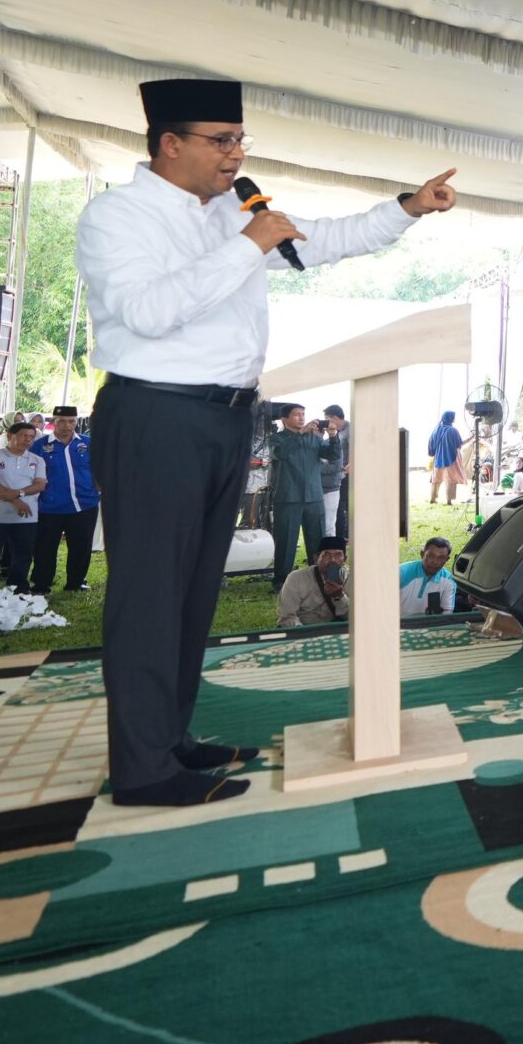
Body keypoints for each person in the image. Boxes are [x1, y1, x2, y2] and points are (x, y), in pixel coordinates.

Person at [76, 76, 454, 806]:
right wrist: (248, 243)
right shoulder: (115, 218)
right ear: (169, 143)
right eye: (222, 140)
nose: (236, 154)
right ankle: (142, 770)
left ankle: (170, 738)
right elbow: (151, 311)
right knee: (149, 594)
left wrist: (408, 207)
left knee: (192, 593)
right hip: (155, 416)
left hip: (225, 420)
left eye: (241, 140)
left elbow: (327, 242)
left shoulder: (231, 212)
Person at [23, 405, 99, 594]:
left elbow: (100, 469)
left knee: (81, 546)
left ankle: (76, 582)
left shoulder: (88, 443)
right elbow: (29, 474)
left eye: (72, 421)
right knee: (45, 547)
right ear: (53, 422)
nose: (67, 425)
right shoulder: (39, 446)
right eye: (62, 421)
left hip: (83, 504)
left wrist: (98, 490)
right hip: (49, 507)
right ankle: (41, 583)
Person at [265, 403, 338, 590]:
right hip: (289, 498)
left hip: (314, 497)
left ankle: (318, 578)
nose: (302, 418)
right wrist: (300, 433)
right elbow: (281, 454)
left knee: (317, 540)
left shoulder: (313, 439)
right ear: (284, 419)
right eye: (297, 414)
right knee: (286, 541)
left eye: (303, 414)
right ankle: (281, 581)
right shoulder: (276, 439)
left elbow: (333, 455)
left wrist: (332, 437)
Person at [0, 419, 48, 587]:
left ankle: (18, 588)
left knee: (22, 555)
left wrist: (19, 493)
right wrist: (17, 501)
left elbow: (40, 485)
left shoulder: (37, 460)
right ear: (9, 436)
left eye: (31, 437)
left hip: (26, 518)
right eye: (24, 436)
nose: (28, 440)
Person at [276, 532, 351, 627]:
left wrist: (339, 596)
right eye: (326, 555)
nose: (332, 560)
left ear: (345, 559)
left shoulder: (351, 579)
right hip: (304, 630)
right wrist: (304, 634)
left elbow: (355, 618)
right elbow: (287, 617)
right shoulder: (296, 578)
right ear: (316, 559)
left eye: (337, 555)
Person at [398, 536, 466, 616]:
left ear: (447, 560)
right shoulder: (402, 572)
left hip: (428, 626)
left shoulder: (448, 581)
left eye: (441, 558)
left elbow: (447, 611)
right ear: (422, 554)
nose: (435, 562)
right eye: (431, 556)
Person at [319, 403, 350, 537]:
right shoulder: (336, 433)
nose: (327, 423)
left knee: (340, 508)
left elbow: (358, 453)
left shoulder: (351, 430)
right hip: (339, 474)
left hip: (346, 475)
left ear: (334, 418)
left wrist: (342, 473)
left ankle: (341, 539)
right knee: (339, 508)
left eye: (327, 419)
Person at [428, 409, 465, 504]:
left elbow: (430, 443)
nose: (454, 419)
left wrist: (432, 453)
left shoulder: (436, 429)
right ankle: (449, 501)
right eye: (453, 417)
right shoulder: (453, 430)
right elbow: (459, 444)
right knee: (450, 479)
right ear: (450, 418)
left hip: (438, 459)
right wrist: (472, 438)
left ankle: (433, 498)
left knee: (436, 479)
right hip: (450, 459)